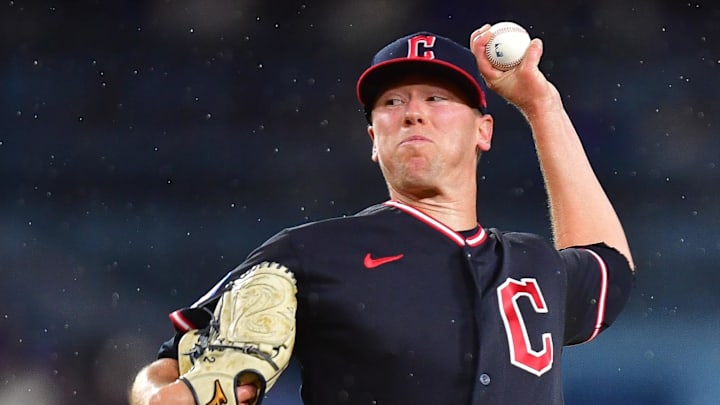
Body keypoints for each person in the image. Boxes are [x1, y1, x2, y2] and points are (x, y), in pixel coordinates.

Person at [129, 23, 635, 405]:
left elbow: (608, 267)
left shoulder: (534, 265)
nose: (413, 111)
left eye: (437, 97)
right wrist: (177, 395)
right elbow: (164, 369)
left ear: (483, 131)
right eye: (392, 101)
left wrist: (542, 106)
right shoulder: (309, 254)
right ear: (374, 140)